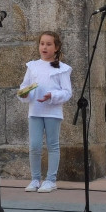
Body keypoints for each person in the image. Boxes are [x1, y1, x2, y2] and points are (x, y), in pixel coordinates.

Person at [17, 31, 73, 193]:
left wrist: (52, 96)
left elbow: (67, 92)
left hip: (52, 113)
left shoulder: (62, 69)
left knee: (52, 146)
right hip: (35, 111)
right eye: (42, 43)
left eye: (49, 44)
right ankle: (35, 179)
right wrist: (25, 93)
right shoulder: (32, 66)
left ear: (56, 48)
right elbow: (24, 86)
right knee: (34, 146)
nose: (44, 47)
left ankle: (50, 180)